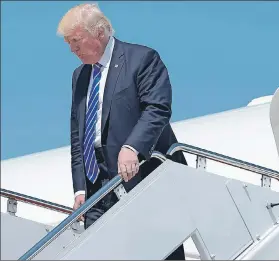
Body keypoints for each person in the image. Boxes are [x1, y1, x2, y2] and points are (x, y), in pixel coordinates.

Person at [57, 3, 187, 260]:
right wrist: (80, 188)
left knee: (158, 249)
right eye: (68, 43)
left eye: (76, 41)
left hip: (142, 173)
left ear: (100, 33)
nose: (72, 49)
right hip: (98, 186)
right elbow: (78, 134)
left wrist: (133, 147)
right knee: (99, 251)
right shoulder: (79, 76)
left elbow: (157, 109)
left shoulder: (142, 59)